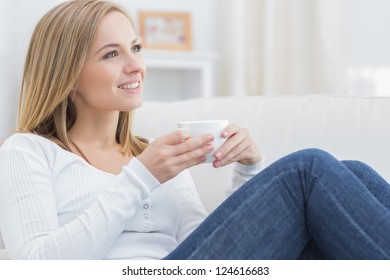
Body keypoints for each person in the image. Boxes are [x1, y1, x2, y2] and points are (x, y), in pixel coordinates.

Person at [0, 0, 389, 260]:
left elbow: (202, 249)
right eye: (111, 54)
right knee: (309, 169)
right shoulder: (28, 151)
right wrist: (141, 178)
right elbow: (34, 264)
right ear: (66, 77)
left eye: (135, 48)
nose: (136, 65)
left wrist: (248, 172)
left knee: (351, 172)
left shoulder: (152, 153)